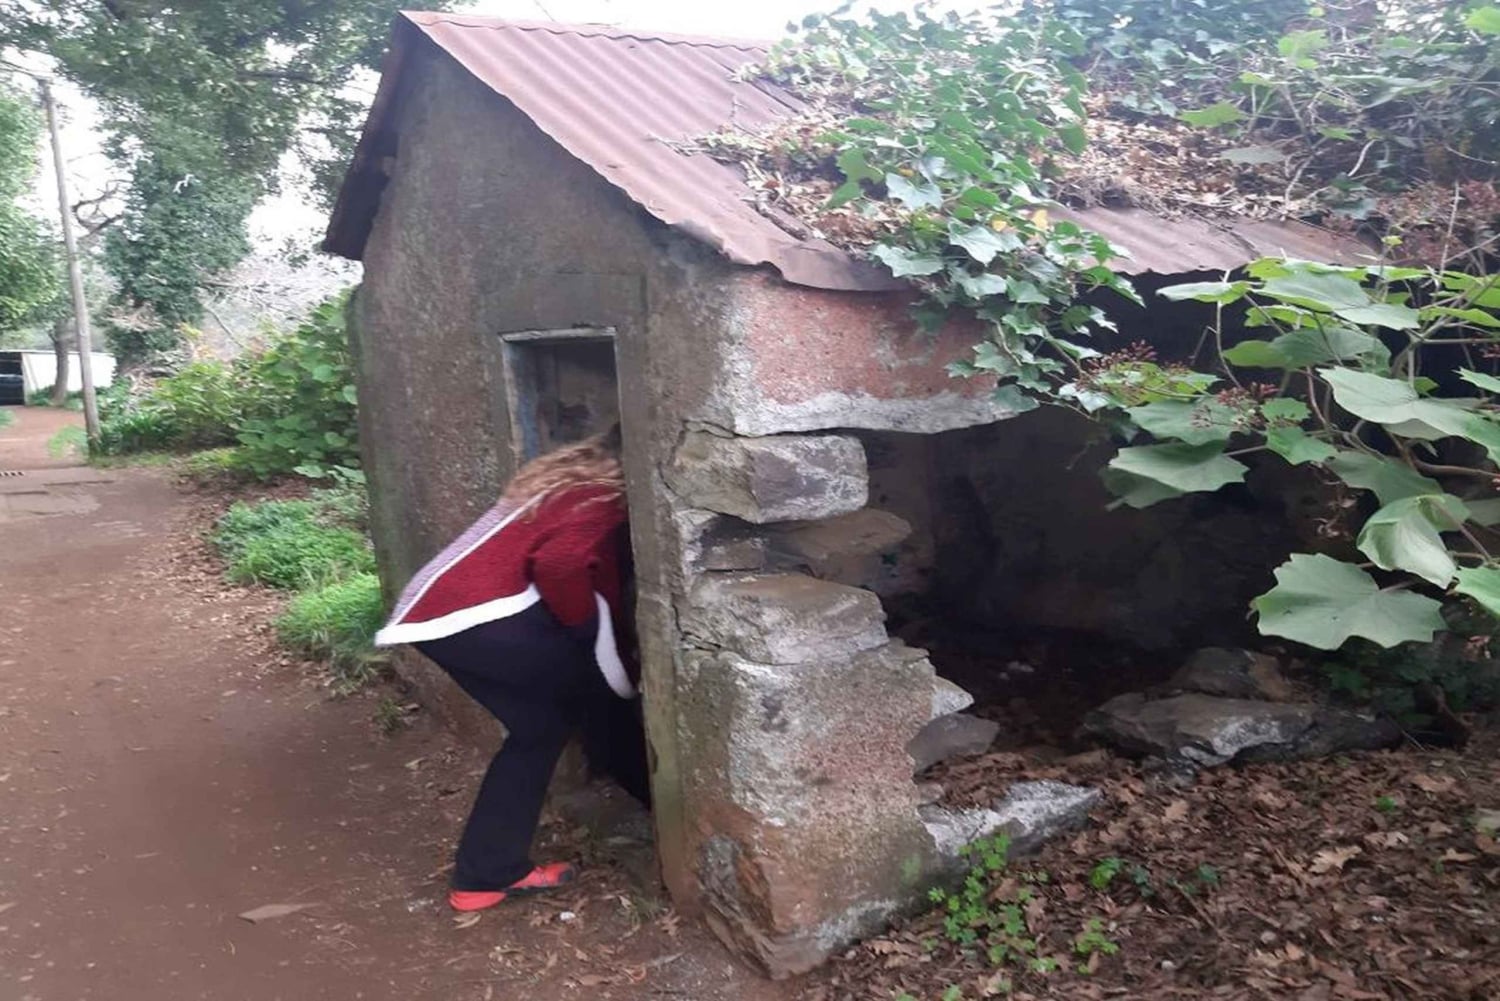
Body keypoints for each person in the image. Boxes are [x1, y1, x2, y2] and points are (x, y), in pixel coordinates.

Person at [374, 425, 649, 913]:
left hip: (435, 618)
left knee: (539, 729)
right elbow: (561, 565)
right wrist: (585, 628)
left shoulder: (569, 480)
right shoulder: (600, 495)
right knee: (589, 692)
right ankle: (645, 796)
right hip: (473, 620)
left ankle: (484, 877)